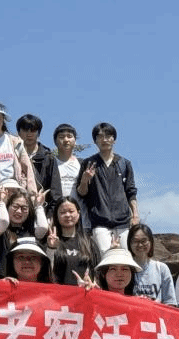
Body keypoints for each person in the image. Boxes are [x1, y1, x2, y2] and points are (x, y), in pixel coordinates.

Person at [76, 122, 139, 254]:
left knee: (125, 257)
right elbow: (81, 193)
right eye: (100, 137)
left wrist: (135, 215)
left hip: (123, 221)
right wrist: (85, 179)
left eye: (108, 136)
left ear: (114, 139)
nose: (104, 139)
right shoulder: (89, 163)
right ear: (95, 141)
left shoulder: (124, 163)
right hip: (99, 221)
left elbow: (131, 192)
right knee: (105, 256)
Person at [0, 185, 49, 273]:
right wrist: (1, 202)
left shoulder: (30, 231)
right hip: (4, 278)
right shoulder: (0, 230)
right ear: (8, 207)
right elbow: (3, 220)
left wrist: (39, 206)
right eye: (15, 207)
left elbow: (43, 228)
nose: (19, 211)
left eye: (24, 208)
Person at [45, 197, 98, 287]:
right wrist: (51, 248)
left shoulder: (89, 242)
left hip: (85, 293)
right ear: (56, 216)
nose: (67, 215)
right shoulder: (50, 241)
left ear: (78, 214)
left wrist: (93, 283)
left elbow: (97, 271)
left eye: (71, 211)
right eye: (62, 212)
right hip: (61, 296)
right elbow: (47, 272)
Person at [16, 114, 61, 213]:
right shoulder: (12, 155)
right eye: (25, 130)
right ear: (18, 132)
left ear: (38, 133)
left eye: (33, 130)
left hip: (42, 210)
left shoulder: (48, 157)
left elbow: (55, 190)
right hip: (17, 210)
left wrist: (51, 215)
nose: (29, 134)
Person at [129, 223, 176, 304]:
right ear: (129, 243)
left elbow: (170, 302)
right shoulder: (125, 268)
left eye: (144, 241)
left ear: (151, 242)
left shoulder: (161, 269)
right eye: (135, 241)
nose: (140, 245)